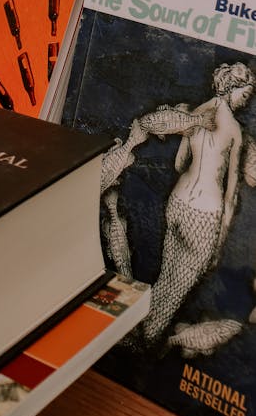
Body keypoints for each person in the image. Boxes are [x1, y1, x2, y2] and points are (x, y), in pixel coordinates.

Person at [106, 61, 255, 348]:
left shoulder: (195, 113)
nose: (245, 102)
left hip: (178, 202)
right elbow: (231, 194)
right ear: (233, 89)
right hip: (204, 214)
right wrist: (220, 240)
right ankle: (142, 344)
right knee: (177, 289)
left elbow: (179, 164)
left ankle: (128, 329)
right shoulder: (235, 131)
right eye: (245, 95)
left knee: (165, 278)